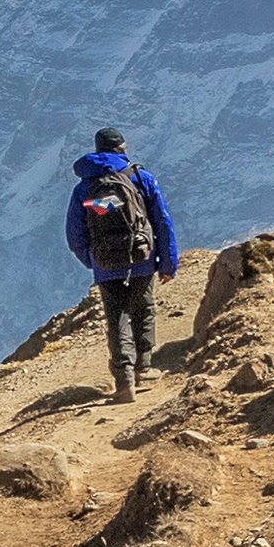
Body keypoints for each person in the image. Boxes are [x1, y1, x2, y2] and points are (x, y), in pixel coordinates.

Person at [62, 127, 179, 403]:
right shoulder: (140, 177)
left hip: (106, 263)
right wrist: (167, 262)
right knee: (143, 308)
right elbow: (162, 221)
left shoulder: (84, 188)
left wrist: (93, 261)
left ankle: (124, 382)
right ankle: (144, 369)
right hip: (141, 257)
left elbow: (74, 233)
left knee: (117, 319)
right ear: (122, 148)